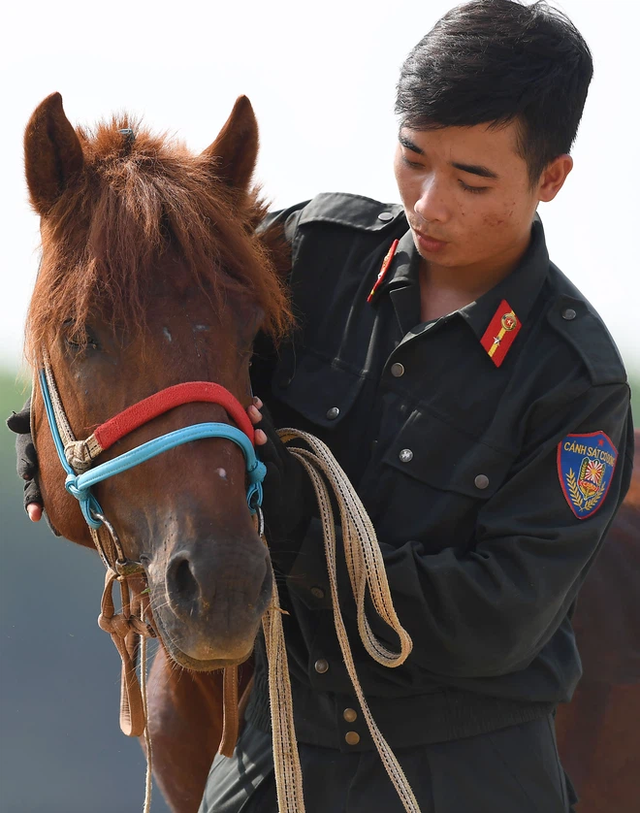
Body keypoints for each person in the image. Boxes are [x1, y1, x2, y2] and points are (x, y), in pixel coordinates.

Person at [10, 1, 634, 811]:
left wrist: (306, 532)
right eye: (414, 159)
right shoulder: (311, 254)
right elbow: (164, 348)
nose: (430, 203)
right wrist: (53, 430)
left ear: (550, 178)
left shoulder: (575, 380)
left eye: (472, 179)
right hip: (274, 754)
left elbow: (501, 617)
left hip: (465, 777)